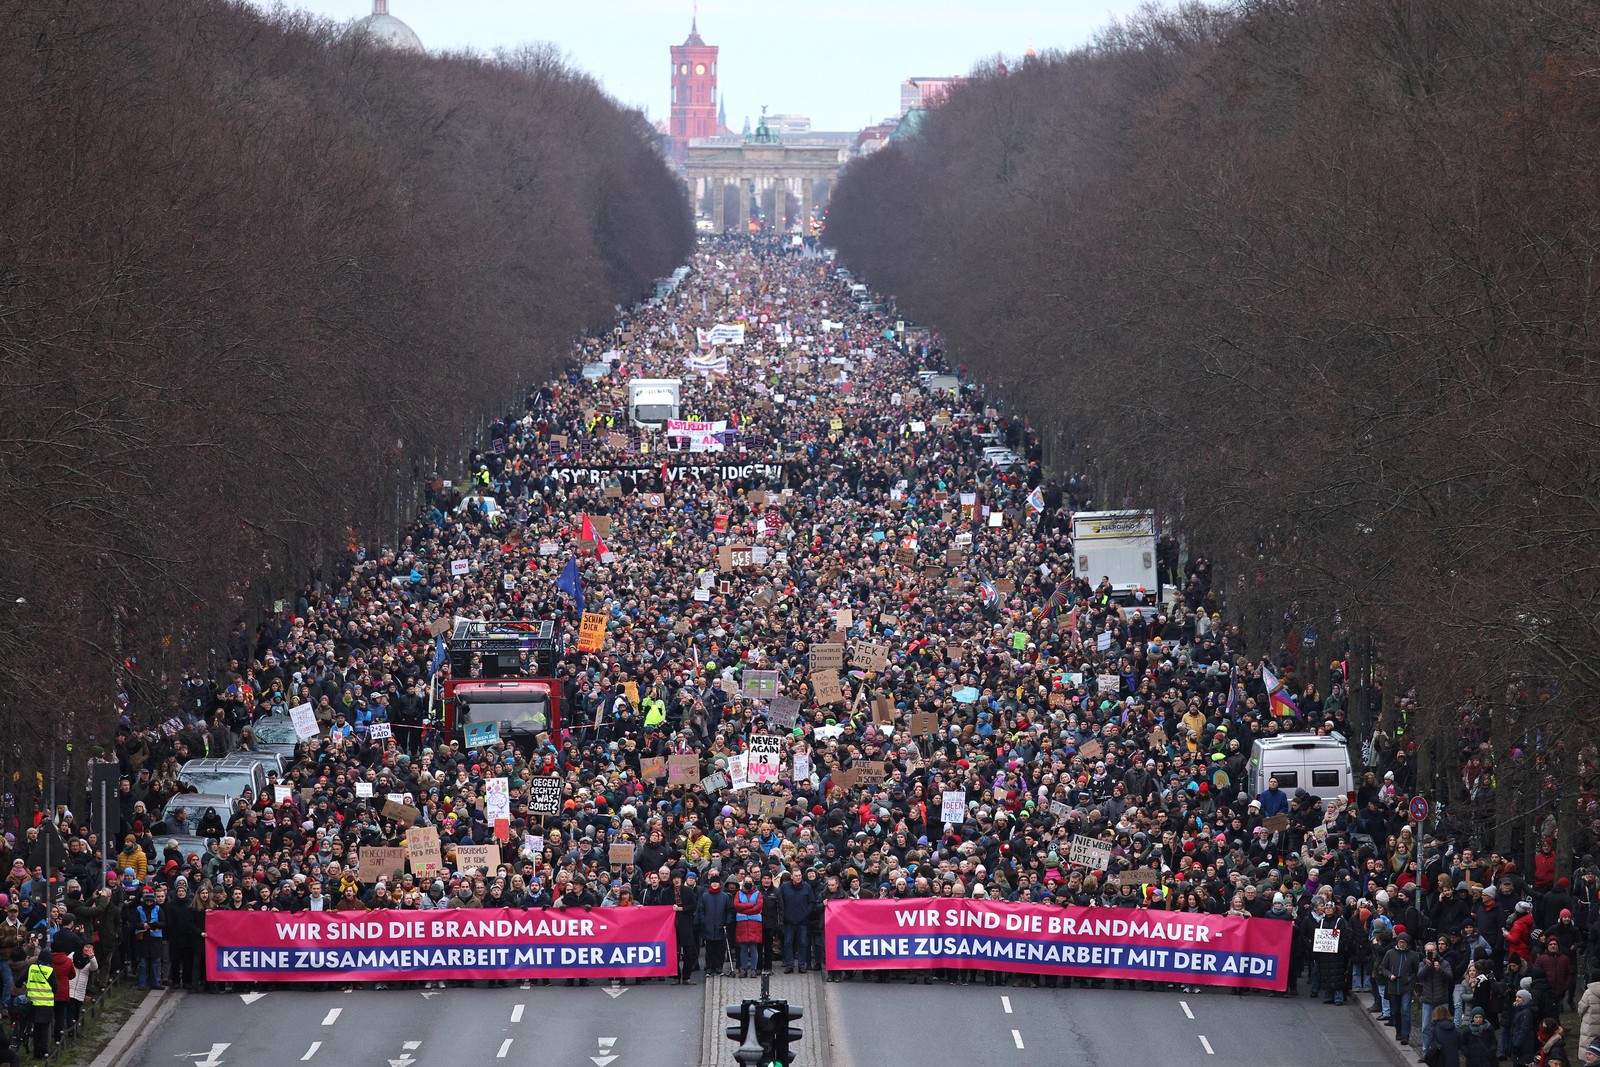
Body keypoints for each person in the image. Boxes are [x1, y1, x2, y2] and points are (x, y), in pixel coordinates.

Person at [695, 872, 731, 978]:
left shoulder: (724, 896)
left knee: (720, 949)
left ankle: (719, 967)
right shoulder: (705, 896)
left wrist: (727, 921)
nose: (715, 884)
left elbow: (729, 910)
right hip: (709, 927)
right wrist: (704, 921)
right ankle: (709, 968)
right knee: (709, 949)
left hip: (721, 926)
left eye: (717, 882)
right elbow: (701, 909)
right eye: (713, 883)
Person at [778, 869, 815, 974]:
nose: (798, 877)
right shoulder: (784, 887)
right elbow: (780, 902)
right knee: (788, 943)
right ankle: (789, 965)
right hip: (788, 921)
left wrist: (805, 914)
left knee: (803, 943)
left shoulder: (807, 887)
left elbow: (812, 903)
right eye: (796, 876)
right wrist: (783, 916)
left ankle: (801, 965)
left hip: (802, 921)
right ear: (792, 877)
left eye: (800, 875)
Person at [23, 947, 52, 1060]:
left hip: (33, 1003)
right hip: (46, 1004)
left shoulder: (32, 968)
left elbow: (20, 980)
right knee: (44, 1029)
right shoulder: (50, 971)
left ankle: (36, 1053)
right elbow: (55, 987)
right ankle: (43, 1052)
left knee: (36, 1029)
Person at [733, 878, 763, 978]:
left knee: (754, 948)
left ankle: (753, 969)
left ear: (753, 883)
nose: (748, 883)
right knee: (743, 948)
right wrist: (750, 905)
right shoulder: (738, 893)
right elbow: (736, 905)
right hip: (742, 924)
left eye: (750, 881)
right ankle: (744, 969)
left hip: (754, 924)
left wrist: (744, 908)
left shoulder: (758, 893)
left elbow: (758, 907)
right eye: (746, 881)